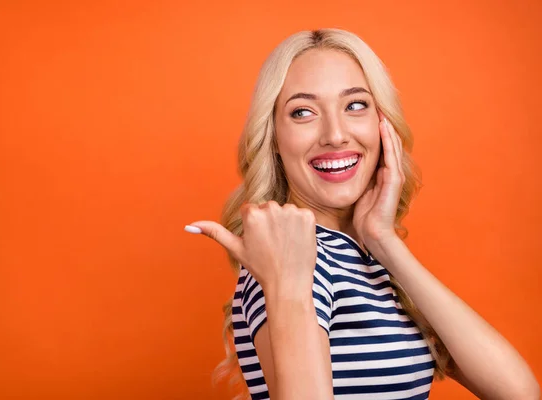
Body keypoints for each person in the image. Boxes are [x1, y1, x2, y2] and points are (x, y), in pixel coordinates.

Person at [184, 29, 539, 400]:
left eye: (355, 105)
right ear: (273, 138)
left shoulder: (369, 259)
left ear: (382, 124)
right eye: (303, 112)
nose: (335, 135)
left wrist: (384, 243)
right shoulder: (284, 262)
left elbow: (517, 393)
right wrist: (287, 285)